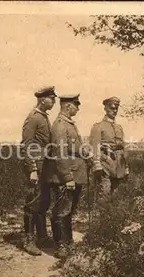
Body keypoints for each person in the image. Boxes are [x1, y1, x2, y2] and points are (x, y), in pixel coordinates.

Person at [45, 94, 87, 258]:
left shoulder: (69, 124)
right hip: (66, 176)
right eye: (76, 105)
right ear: (68, 106)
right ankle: (61, 245)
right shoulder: (60, 125)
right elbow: (59, 153)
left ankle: (67, 242)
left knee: (69, 210)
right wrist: (67, 177)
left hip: (74, 174)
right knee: (62, 211)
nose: (78, 108)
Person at [20, 86, 56, 256]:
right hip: (36, 166)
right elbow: (26, 145)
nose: (54, 101)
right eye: (51, 98)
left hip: (45, 165)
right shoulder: (33, 118)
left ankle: (42, 236)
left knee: (43, 202)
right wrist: (32, 169)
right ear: (43, 100)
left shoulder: (44, 117)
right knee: (32, 203)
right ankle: (28, 240)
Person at [89, 96, 129, 203]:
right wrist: (97, 164)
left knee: (116, 195)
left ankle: (111, 218)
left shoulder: (119, 127)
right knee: (105, 192)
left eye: (116, 108)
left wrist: (126, 167)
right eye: (112, 108)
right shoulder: (98, 127)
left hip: (119, 165)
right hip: (105, 164)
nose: (114, 111)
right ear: (105, 108)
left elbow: (123, 147)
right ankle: (101, 217)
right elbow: (94, 146)